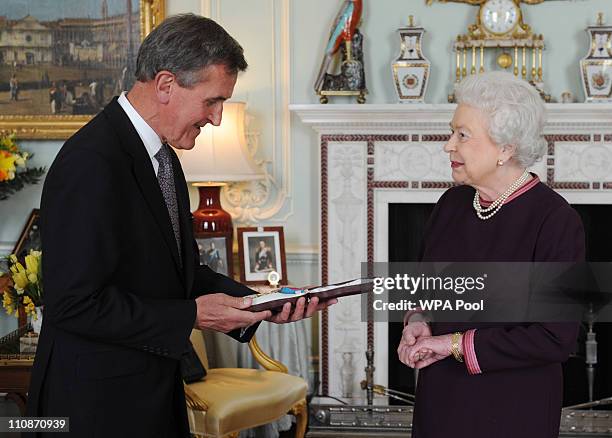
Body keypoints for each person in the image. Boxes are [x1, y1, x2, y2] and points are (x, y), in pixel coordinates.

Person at [26, 14, 335, 438]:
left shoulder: (163, 157)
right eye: (212, 101)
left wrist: (262, 304)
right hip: (95, 408)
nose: (218, 118)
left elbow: (181, 274)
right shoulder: (90, 163)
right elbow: (74, 304)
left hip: (147, 394)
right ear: (166, 84)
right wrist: (191, 315)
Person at [397, 72, 585, 438]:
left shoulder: (557, 221)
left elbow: (554, 337)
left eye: (462, 135)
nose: (448, 146)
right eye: (452, 132)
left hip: (514, 406)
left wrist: (450, 344)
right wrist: (418, 320)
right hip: (441, 397)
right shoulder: (451, 204)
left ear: (505, 147)